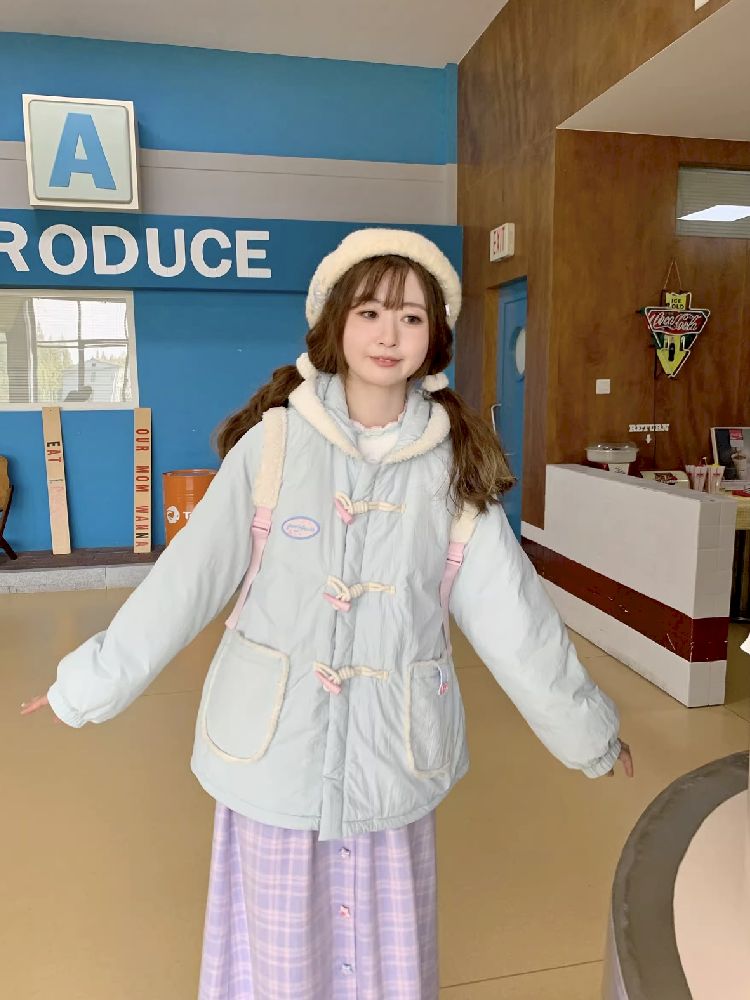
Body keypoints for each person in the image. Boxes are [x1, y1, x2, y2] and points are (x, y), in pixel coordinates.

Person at [21, 228, 633, 1000]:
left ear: (436, 337)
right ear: (335, 322)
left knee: (387, 961)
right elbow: (183, 584)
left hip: (391, 755)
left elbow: (516, 620)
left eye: (411, 317)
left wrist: (587, 732)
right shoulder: (273, 444)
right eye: (370, 312)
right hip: (275, 749)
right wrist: (85, 686)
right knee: (275, 962)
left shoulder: (453, 466)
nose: (389, 334)